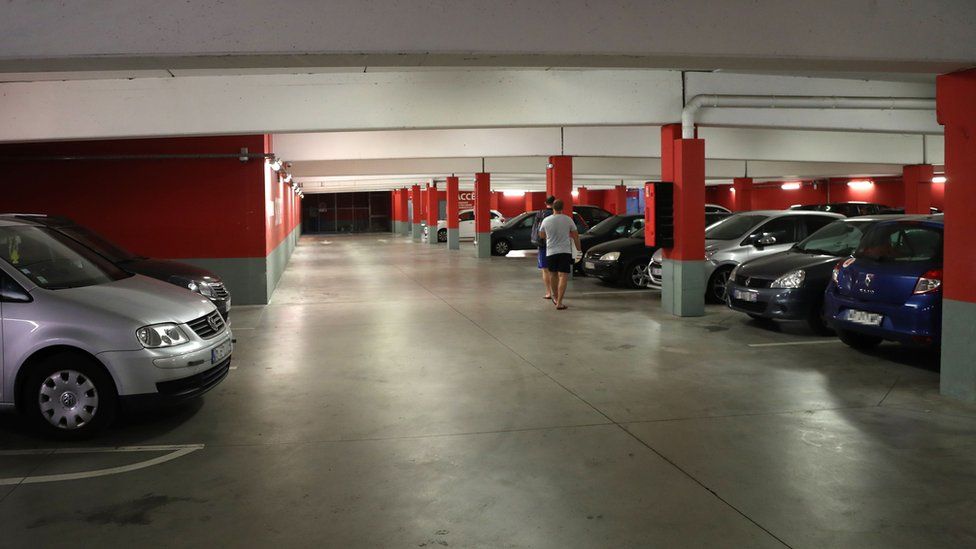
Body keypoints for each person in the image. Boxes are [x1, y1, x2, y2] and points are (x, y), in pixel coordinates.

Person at [537, 199, 581, 310]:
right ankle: (560, 302)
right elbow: (576, 236)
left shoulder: (546, 220)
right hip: (565, 251)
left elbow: (541, 235)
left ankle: (555, 297)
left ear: (553, 207)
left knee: (553, 275)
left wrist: (550, 236)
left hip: (551, 251)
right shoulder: (568, 220)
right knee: (563, 276)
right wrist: (578, 249)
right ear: (562, 208)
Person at [530, 196, 556, 300]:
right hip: (555, 245)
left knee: (545, 270)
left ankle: (548, 292)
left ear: (545, 203)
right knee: (555, 271)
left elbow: (538, 229)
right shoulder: (557, 215)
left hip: (542, 245)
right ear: (555, 203)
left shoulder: (540, 213)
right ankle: (556, 293)